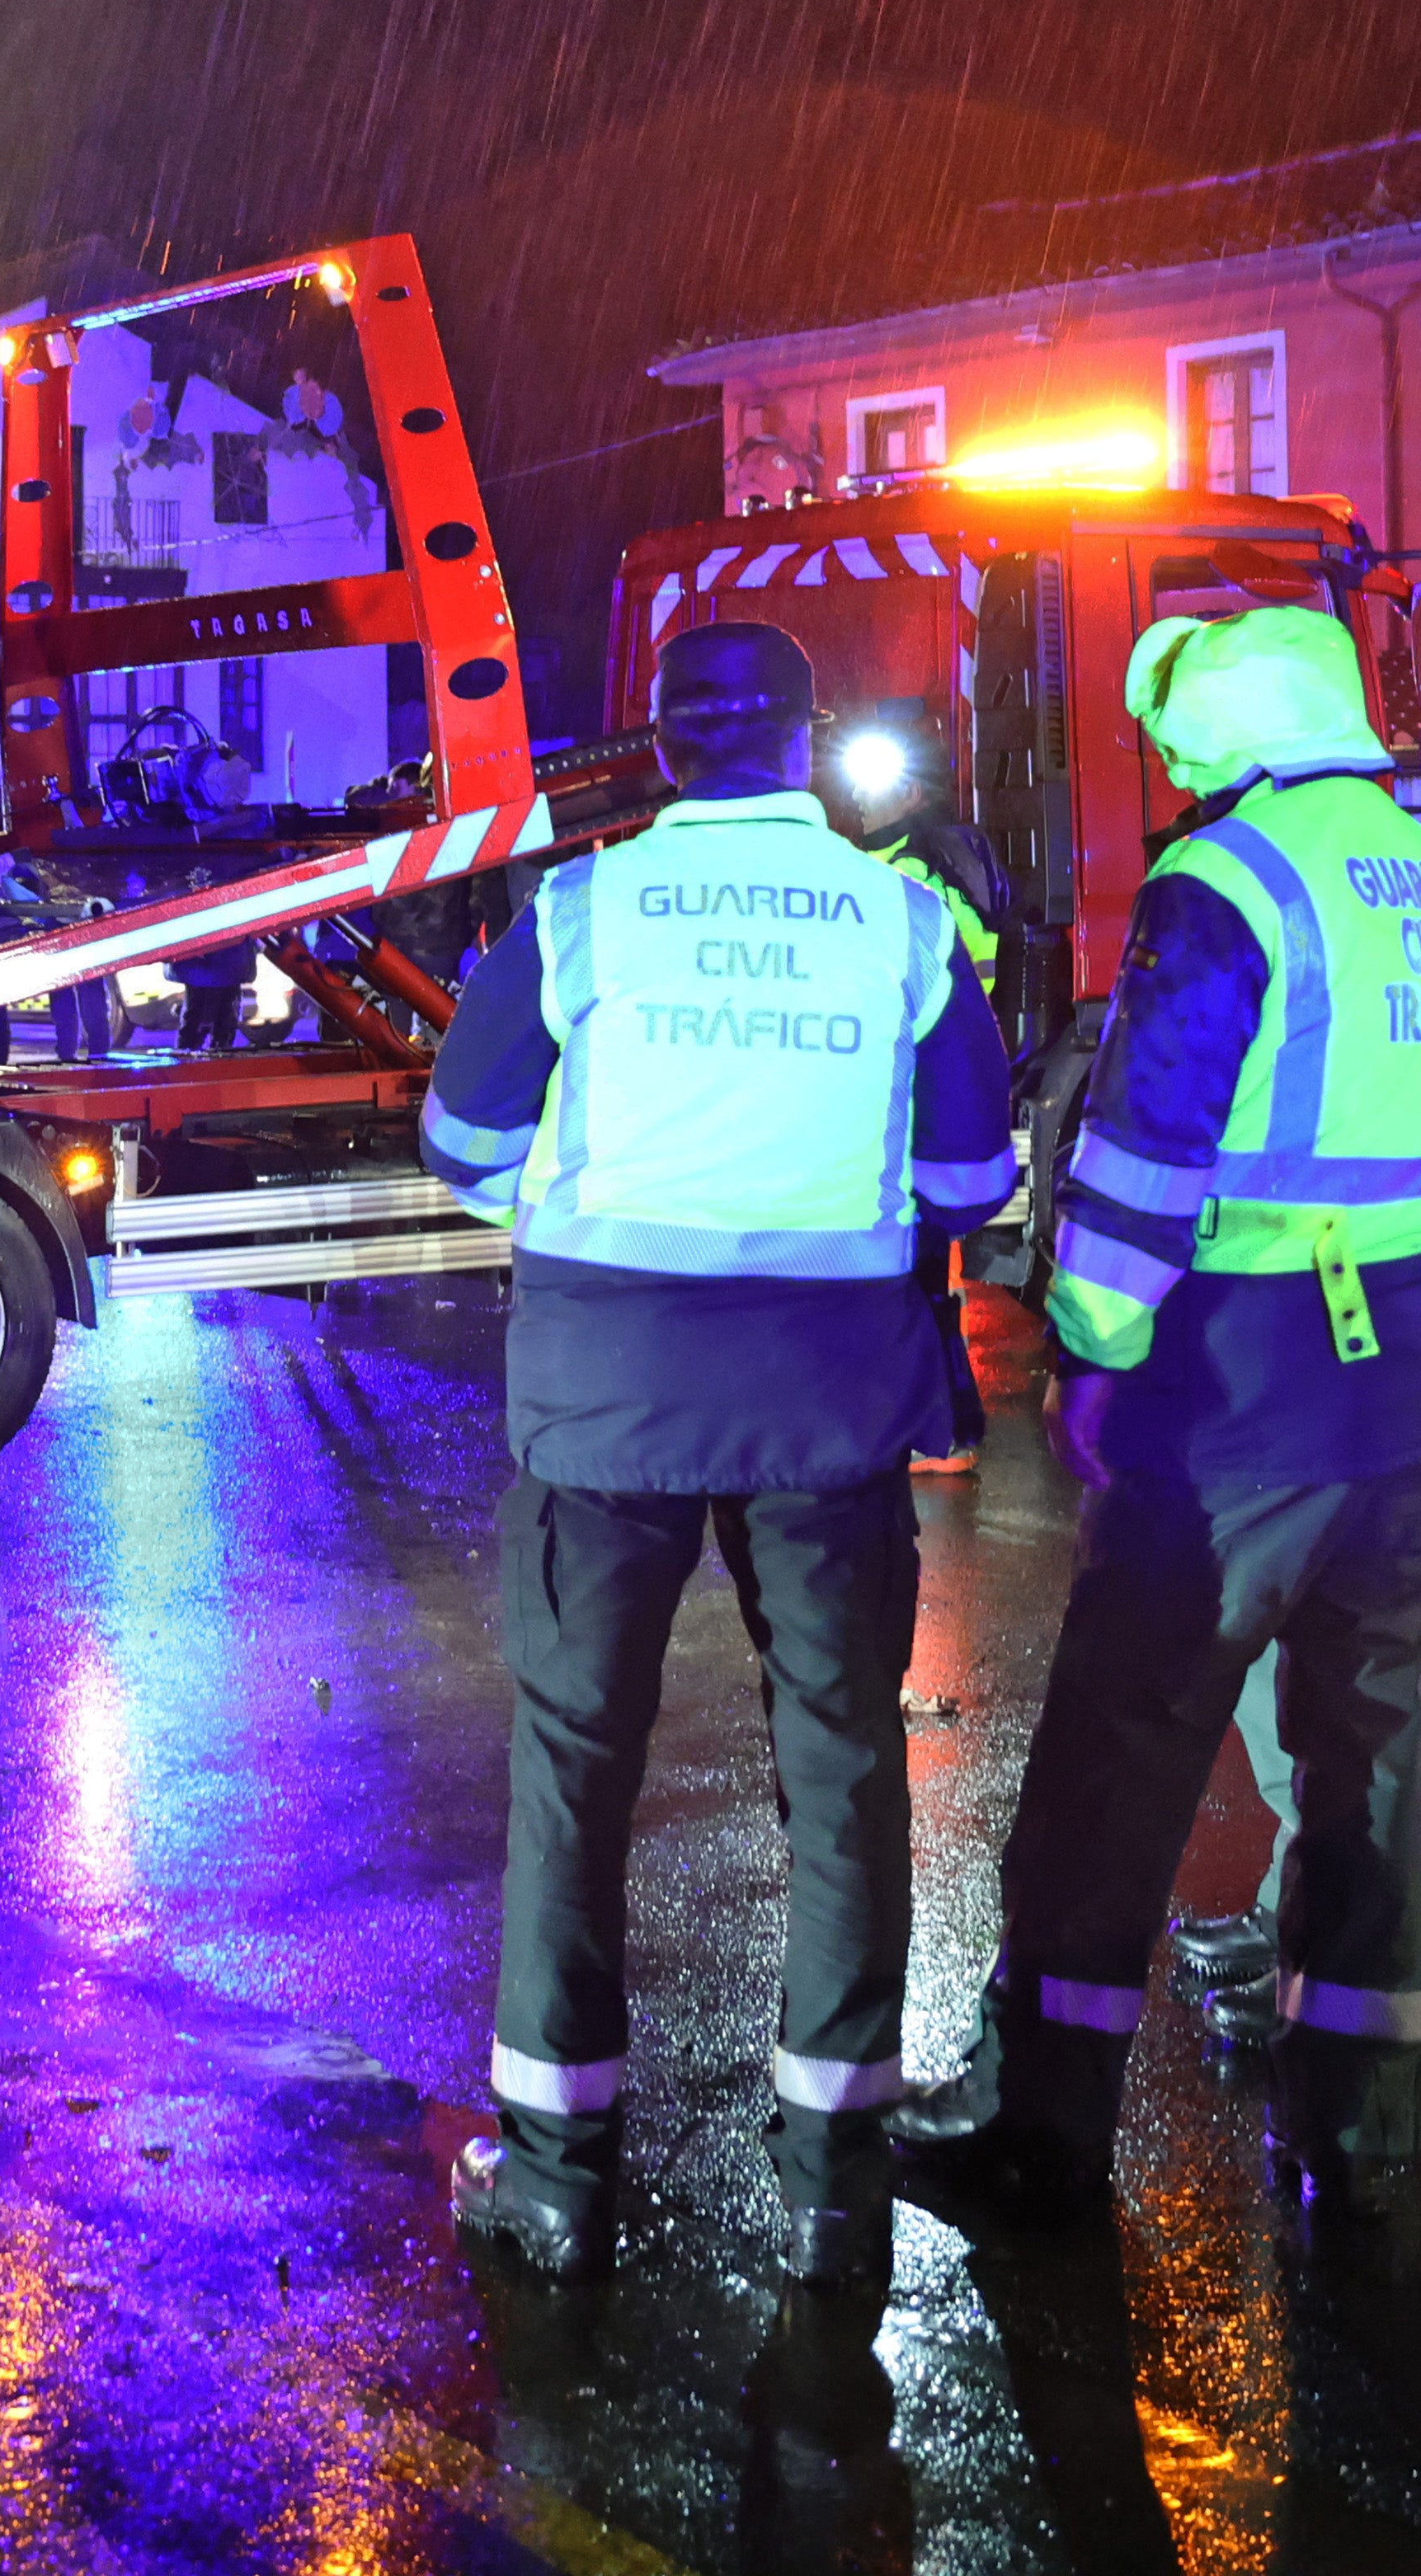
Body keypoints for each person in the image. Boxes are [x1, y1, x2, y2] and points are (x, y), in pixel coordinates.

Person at [893, 604, 1421, 2223]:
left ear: (1225, 743)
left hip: (1254, 1378)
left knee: (1121, 1752)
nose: (1174, 781)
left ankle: (1036, 2124)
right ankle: (1366, 2106)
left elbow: (1138, 1168)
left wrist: (1092, 1351)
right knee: (1366, 1751)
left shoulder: (1228, 884)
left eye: (1182, 750)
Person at [420, 622, 1020, 2289]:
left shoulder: (581, 909)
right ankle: (834, 2178)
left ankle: (552, 2171)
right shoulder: (903, 922)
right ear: (806, 741)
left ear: (663, 744)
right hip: (827, 1399)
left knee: (574, 1761)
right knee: (839, 1762)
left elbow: (465, 1145)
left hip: (606, 1388)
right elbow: (975, 1178)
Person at [841, 719, 1013, 1477]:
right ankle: (942, 1427)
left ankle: (940, 1431)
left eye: (874, 782)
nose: (857, 795)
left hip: (900, 1097)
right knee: (915, 1274)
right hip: (911, 1093)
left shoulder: (914, 874)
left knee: (907, 1278)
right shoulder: (901, 865)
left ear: (912, 790)